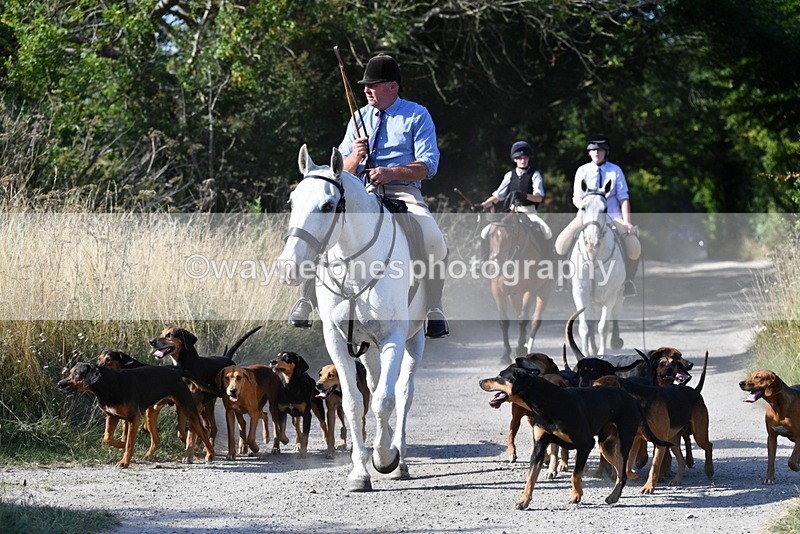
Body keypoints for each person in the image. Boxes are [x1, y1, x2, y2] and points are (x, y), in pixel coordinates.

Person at [288, 53, 449, 338]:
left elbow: (429, 165)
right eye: (365, 85)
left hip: (403, 191)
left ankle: (434, 307)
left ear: (393, 86)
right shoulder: (358, 118)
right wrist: (354, 155)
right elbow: (342, 170)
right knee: (325, 224)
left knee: (433, 236)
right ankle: (305, 299)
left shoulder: (416, 115)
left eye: (373, 84)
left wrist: (391, 172)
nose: (366, 90)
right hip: (361, 193)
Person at [554, 133, 641, 296]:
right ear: (589, 152)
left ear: (605, 152)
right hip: (586, 217)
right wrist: (588, 209)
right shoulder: (582, 171)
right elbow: (576, 198)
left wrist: (627, 223)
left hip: (612, 217)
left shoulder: (615, 171)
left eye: (600, 150)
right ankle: (564, 277)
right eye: (593, 150)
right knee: (560, 243)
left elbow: (624, 198)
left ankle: (628, 281)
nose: (597, 152)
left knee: (634, 247)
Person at [478, 141, 553, 256]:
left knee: (547, 231)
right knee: (485, 231)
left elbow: (539, 198)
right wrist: (482, 205)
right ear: (515, 160)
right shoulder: (509, 175)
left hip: (529, 213)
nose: (523, 160)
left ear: (528, 159)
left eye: (525, 158)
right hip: (511, 214)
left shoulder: (535, 174)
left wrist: (525, 196)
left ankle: (549, 262)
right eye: (520, 158)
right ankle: (481, 261)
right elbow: (498, 196)